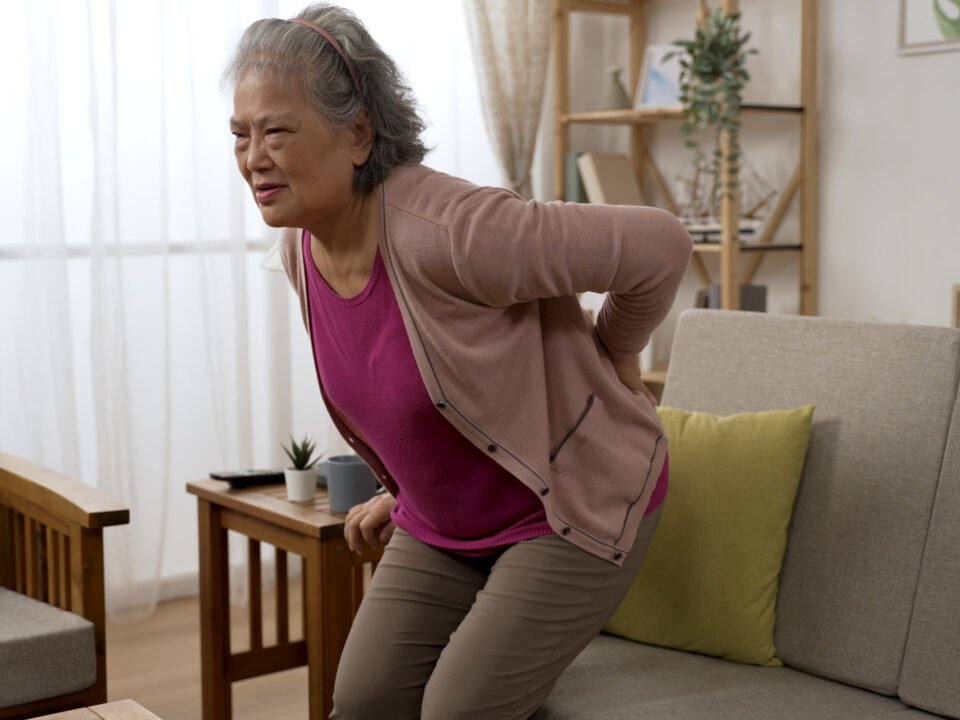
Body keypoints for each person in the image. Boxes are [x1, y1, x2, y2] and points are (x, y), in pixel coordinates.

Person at [224, 4, 691, 718]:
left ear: (358, 133)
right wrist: (404, 490)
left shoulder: (457, 232)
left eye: (277, 131)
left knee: (456, 710)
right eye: (240, 134)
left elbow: (660, 246)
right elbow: (420, 390)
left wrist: (616, 353)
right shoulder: (302, 248)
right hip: (446, 521)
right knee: (363, 698)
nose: (254, 155)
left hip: (565, 505)